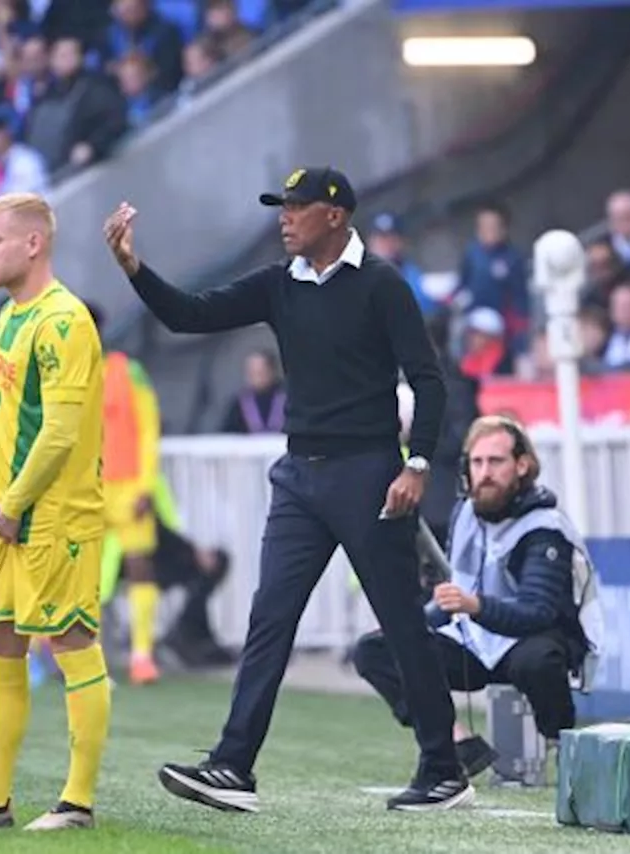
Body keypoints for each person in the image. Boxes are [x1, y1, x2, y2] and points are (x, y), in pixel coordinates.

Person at [104, 166, 470, 812]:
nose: (283, 218)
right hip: (299, 475)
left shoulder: (382, 286)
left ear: (335, 215)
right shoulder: (280, 285)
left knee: (400, 620)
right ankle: (233, 766)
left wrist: (416, 466)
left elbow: (429, 380)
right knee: (269, 617)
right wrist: (135, 268)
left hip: (368, 472)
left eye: (296, 208)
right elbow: (191, 315)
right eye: (283, 207)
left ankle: (443, 766)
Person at [0, 192, 110, 832]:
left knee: (71, 642)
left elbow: (59, 434)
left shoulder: (64, 321)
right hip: (7, 515)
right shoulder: (8, 318)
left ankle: (78, 802)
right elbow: (7, 430)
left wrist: (9, 503)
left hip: (56, 517)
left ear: (33, 244)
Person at [354, 416, 592, 778]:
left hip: (529, 639)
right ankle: (454, 739)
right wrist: (412, 627)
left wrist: (474, 606)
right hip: (471, 640)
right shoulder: (465, 513)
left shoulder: (545, 527)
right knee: (376, 650)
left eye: (496, 462)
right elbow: (452, 594)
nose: (485, 473)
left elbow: (539, 612)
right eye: (477, 462)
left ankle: (563, 743)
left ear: (522, 466)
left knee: (538, 660)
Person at [87, 303, 164, 685]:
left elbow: (149, 428)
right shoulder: (62, 376)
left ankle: (142, 654)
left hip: (128, 485)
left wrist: (146, 484)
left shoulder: (127, 371)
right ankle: (92, 658)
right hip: (85, 490)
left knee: (139, 565)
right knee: (86, 577)